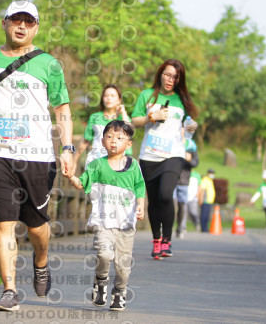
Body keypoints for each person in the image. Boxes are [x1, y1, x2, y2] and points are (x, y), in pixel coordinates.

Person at [0, 0, 74, 311]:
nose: (21, 26)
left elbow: (62, 109)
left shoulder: (48, 64)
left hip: (38, 156)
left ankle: (41, 259)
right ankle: (9, 290)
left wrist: (67, 148)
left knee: (36, 225)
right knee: (3, 222)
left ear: (36, 27)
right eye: (16, 19)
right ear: (5, 22)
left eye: (28, 21)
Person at [65, 120, 145, 311]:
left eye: (119, 138)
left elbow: (140, 186)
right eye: (109, 137)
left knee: (123, 267)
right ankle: (101, 281)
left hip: (126, 224)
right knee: (104, 254)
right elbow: (82, 184)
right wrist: (70, 176)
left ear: (129, 144)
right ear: (102, 142)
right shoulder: (97, 165)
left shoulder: (134, 166)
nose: (113, 141)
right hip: (104, 222)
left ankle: (119, 291)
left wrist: (140, 206)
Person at [131, 59, 198, 259]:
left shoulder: (182, 99)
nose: (170, 79)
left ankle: (167, 240)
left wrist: (191, 128)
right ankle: (157, 240)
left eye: (175, 77)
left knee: (166, 195)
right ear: (160, 74)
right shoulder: (147, 95)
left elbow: (189, 125)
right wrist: (152, 117)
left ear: (179, 80)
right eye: (167, 75)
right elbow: (134, 121)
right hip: (149, 154)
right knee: (154, 201)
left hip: (174, 154)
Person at [73, 84, 132, 171]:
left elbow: (130, 132)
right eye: (106, 96)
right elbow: (86, 141)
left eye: (112, 96)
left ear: (119, 100)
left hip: (119, 164)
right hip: (97, 160)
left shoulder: (124, 118)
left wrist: (123, 112)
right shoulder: (95, 117)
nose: (109, 98)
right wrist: (74, 160)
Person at [175, 139, 199, 238]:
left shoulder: (191, 145)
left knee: (182, 205)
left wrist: (189, 159)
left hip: (183, 181)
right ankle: (164, 227)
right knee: (169, 201)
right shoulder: (172, 141)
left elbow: (195, 163)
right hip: (170, 179)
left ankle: (180, 227)